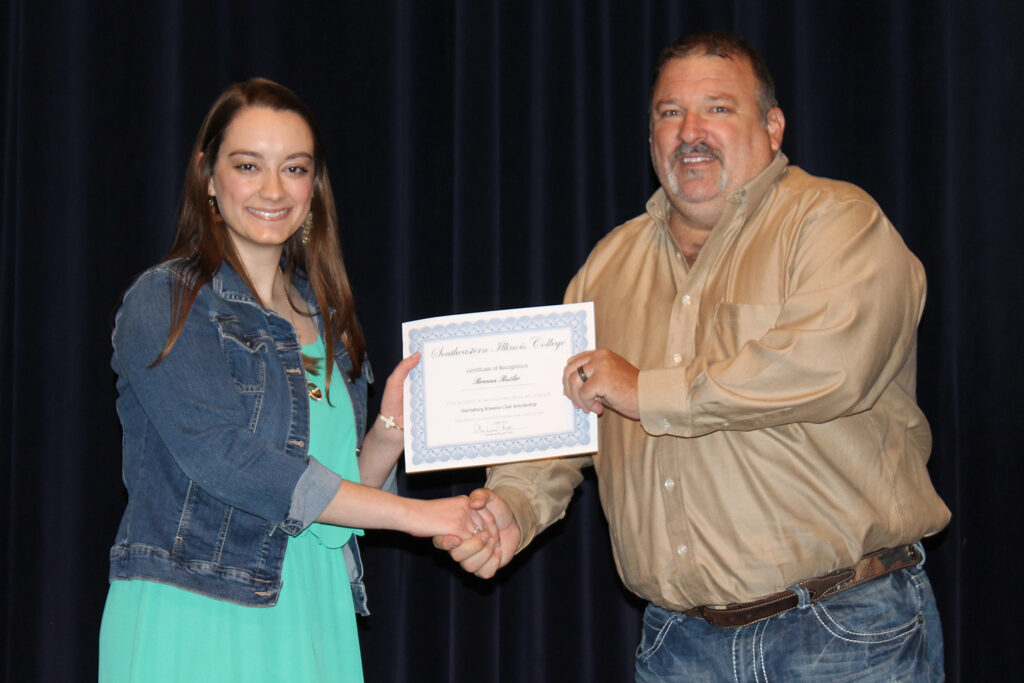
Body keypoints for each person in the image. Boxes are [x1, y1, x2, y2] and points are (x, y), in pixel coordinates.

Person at [436, 31, 951, 680]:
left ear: (772, 126)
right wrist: (510, 503)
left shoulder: (836, 222)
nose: (691, 131)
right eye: (669, 113)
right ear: (651, 135)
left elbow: (829, 367)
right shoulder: (607, 267)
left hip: (840, 630)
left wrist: (643, 389)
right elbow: (560, 421)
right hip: (679, 643)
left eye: (717, 108)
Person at [98, 78, 493, 682]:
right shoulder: (167, 302)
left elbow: (332, 504)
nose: (273, 189)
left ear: (314, 187)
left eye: (295, 168)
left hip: (314, 609)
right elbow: (230, 461)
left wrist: (390, 431)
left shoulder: (327, 315)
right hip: (202, 615)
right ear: (207, 175)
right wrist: (424, 517)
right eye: (248, 165)